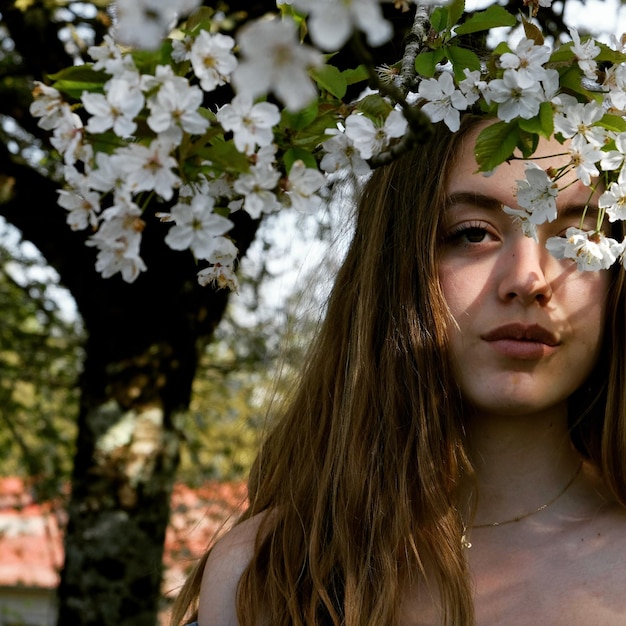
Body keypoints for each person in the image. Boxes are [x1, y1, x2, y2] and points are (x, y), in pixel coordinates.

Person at [170, 113, 626, 626]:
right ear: (396, 266)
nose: (528, 278)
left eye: (576, 238)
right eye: (473, 234)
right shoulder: (270, 575)